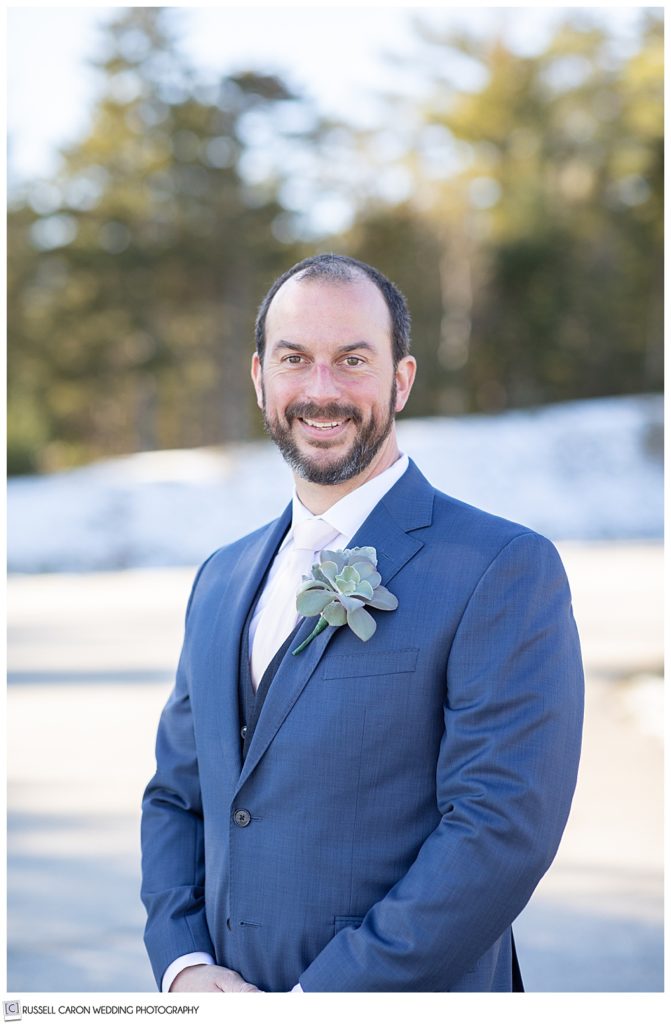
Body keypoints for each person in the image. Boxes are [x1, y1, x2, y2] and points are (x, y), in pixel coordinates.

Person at [141, 253, 584, 993]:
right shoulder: (219, 578)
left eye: (351, 360)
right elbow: (177, 796)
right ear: (259, 379)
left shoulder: (500, 566)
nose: (321, 390)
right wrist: (184, 964)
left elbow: (497, 833)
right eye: (294, 359)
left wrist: (322, 1000)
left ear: (400, 379)